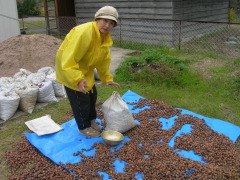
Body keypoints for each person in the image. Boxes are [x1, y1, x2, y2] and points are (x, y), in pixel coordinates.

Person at [55, 6, 120, 138]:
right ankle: (84, 127)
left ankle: (90, 120)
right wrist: (77, 79)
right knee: (81, 101)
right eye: (104, 21)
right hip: (69, 70)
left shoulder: (104, 37)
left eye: (111, 23)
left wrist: (107, 78)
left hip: (85, 70)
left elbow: (103, 60)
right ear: (97, 19)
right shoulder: (83, 32)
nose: (107, 25)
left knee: (92, 96)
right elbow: (69, 59)